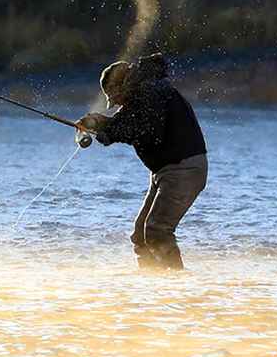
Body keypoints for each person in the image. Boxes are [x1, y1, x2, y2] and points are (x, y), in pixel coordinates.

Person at [76, 53, 207, 270]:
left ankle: (177, 285)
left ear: (123, 86)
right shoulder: (145, 92)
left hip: (183, 170)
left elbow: (146, 131)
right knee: (141, 236)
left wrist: (109, 133)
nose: (117, 102)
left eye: (116, 97)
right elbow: (128, 121)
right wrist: (97, 122)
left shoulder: (151, 92)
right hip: (166, 172)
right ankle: (150, 286)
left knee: (157, 231)